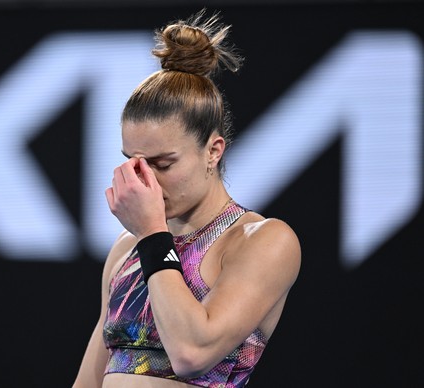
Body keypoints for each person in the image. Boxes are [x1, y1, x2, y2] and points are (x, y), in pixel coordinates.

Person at [73, 9, 301, 388]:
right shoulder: (126, 250)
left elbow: (191, 353)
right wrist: (146, 238)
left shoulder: (264, 241)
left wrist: (152, 236)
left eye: (163, 163)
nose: (143, 179)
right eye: (132, 162)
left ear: (213, 151)